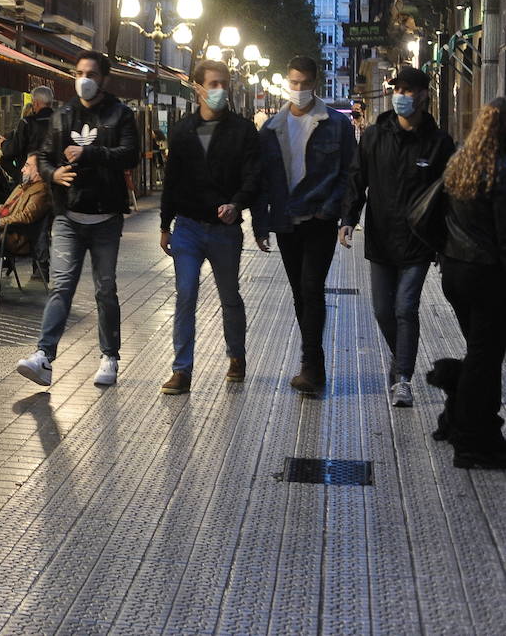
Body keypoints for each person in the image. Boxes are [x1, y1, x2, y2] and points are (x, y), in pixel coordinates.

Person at [15, 52, 139, 389]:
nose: (84, 79)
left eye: (92, 73)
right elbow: (42, 157)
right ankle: (44, 356)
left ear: (104, 79)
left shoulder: (120, 114)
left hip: (105, 217)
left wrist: (90, 153)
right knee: (61, 286)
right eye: (79, 72)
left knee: (105, 287)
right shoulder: (64, 114)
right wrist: (53, 174)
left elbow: (130, 154)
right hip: (68, 215)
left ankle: (109, 356)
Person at [340, 66, 454, 407]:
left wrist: (447, 243)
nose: (401, 96)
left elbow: (449, 194)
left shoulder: (438, 143)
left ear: (423, 96)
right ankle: (400, 358)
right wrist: (348, 218)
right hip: (381, 237)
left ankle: (402, 378)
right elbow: (357, 178)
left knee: (406, 308)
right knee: (381, 311)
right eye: (398, 89)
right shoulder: (376, 136)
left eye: (408, 90)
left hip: (419, 242)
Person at [253, 55, 356, 396]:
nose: (298, 89)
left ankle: (312, 365)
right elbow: (262, 179)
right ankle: (311, 361)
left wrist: (336, 214)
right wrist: (261, 223)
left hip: (318, 219)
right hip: (286, 220)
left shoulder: (335, 124)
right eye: (293, 83)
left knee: (312, 288)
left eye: (304, 83)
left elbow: (348, 174)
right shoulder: (272, 127)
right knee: (300, 292)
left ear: (316, 83)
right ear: (286, 81)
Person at [157, 60, 261, 396]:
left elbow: (252, 176)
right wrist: (164, 223)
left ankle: (236, 356)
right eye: (213, 84)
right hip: (186, 226)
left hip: (224, 229)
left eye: (224, 84)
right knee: (186, 294)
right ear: (198, 88)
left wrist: (237, 204)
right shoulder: (183, 130)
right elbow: (171, 179)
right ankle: (181, 370)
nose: (220, 90)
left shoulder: (242, 130)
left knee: (229, 296)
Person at [438, 98, 506, 468]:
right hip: (485, 276)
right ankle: (471, 440)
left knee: (481, 353)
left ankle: (462, 422)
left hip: (455, 272)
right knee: (486, 356)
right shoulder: (499, 170)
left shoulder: (460, 163)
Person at [0, 152, 52, 257]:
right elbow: (5, 208)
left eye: (27, 166)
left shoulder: (42, 190)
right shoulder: (22, 186)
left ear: (39, 170)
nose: (22, 169)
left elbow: (26, 216)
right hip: (3, 228)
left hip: (15, 236)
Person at [1, 86, 56, 172]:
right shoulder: (62, 121)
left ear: (35, 103)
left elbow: (14, 149)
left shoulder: (27, 123)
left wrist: (3, 143)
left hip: (32, 173)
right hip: (56, 172)